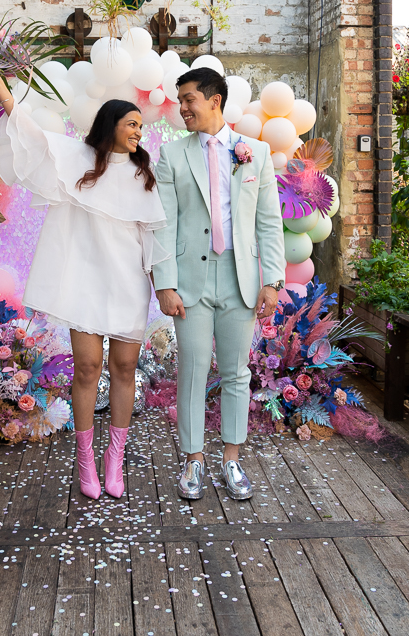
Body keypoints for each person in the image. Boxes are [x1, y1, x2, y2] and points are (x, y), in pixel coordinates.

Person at [0, 76, 168, 500]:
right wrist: (2, 93)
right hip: (84, 282)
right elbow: (33, 137)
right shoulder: (78, 159)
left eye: (141, 126)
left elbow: (153, 239)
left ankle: (115, 460)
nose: (138, 132)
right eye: (130, 123)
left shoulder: (145, 175)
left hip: (128, 282)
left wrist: (163, 287)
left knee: (125, 369)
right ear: (110, 125)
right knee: (87, 368)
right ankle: (86, 460)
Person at [153, 67, 285, 500]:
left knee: (236, 373)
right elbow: (164, 225)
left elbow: (269, 222)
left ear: (214, 100)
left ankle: (231, 459)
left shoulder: (256, 154)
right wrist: (164, 283)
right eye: (179, 99)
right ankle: (193, 462)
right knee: (191, 372)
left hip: (240, 279)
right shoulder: (172, 156)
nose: (182, 107)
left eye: (188, 99)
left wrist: (273, 280)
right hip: (190, 282)